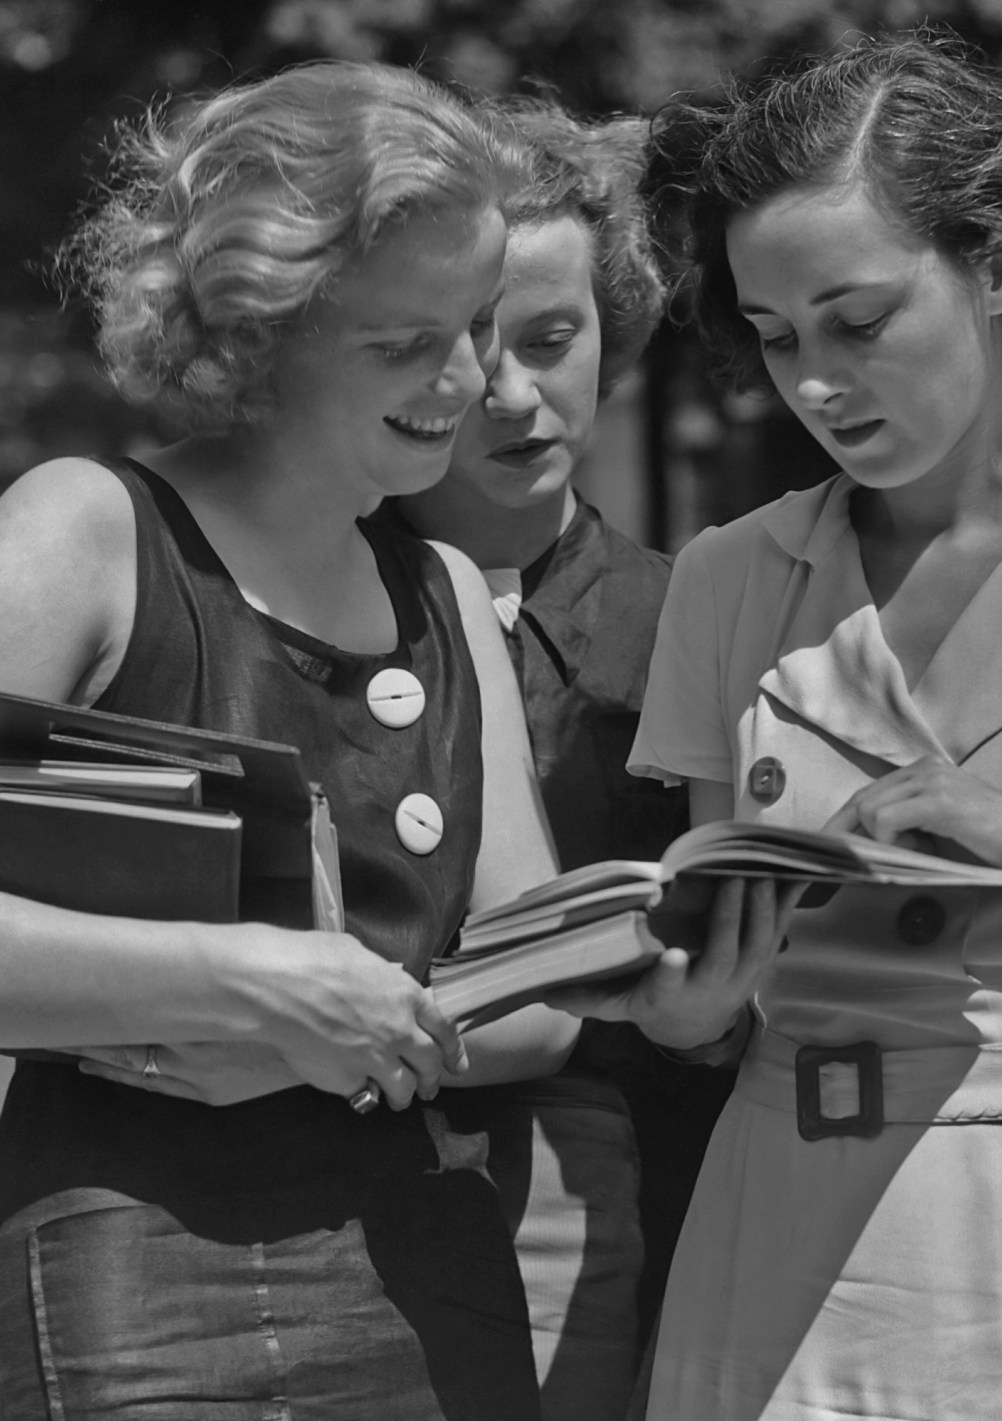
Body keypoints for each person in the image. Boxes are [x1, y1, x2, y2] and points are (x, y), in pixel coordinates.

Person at [554, 30, 1002, 1420]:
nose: (815, 382)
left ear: (997, 269)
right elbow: (711, 961)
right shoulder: (726, 574)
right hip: (777, 1219)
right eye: (774, 338)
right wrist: (688, 1006)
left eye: (859, 321)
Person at [0, 60, 587, 1420]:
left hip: (427, 1270)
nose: (473, 379)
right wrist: (243, 981)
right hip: (133, 1281)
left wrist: (335, 1026)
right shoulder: (82, 532)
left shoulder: (440, 588)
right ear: (255, 331)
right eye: (402, 342)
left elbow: (543, 989)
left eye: (481, 321)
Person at [395, 100, 734, 1420]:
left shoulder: (703, 614)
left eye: (552, 340)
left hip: (635, 1205)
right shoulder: (294, 597)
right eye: (468, 352)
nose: (514, 396)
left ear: (617, 331)